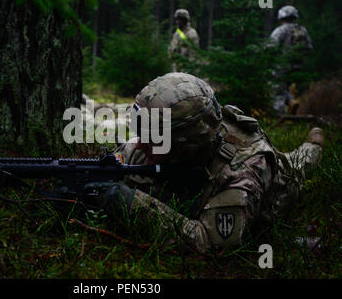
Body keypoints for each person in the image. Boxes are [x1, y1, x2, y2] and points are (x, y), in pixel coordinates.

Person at [84, 73, 324, 253]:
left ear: (185, 143)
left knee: (299, 163)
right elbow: (125, 157)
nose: (140, 144)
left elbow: (212, 242)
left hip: (279, 180)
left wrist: (128, 201)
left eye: (153, 139)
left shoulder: (241, 172)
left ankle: (315, 143)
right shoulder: (163, 143)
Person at [268, 5, 313, 115]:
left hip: (281, 66)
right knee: (286, 88)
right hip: (298, 66)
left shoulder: (280, 30)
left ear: (281, 17)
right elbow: (309, 48)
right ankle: (292, 103)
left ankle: (280, 116)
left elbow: (270, 47)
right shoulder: (302, 30)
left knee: (277, 91)